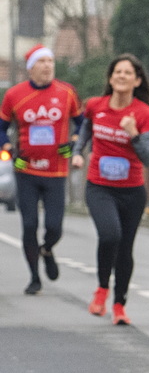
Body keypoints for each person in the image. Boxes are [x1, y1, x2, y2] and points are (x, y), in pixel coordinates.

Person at [74, 54, 149, 325]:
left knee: (125, 248)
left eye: (127, 73)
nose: (121, 76)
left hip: (132, 191)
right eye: (117, 72)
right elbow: (85, 130)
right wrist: (77, 152)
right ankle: (101, 289)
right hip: (99, 187)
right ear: (110, 78)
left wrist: (133, 133)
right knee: (110, 235)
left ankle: (119, 305)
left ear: (137, 81)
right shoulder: (95, 106)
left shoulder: (144, 114)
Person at [0, 45, 84, 295]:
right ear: (31, 68)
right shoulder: (14, 95)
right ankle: (34, 277)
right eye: (42, 61)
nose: (47, 66)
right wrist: (7, 146)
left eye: (50, 61)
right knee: (29, 224)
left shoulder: (67, 92)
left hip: (56, 169)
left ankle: (46, 249)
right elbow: (1, 127)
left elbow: (82, 124)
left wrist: (74, 143)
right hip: (24, 168)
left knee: (54, 226)